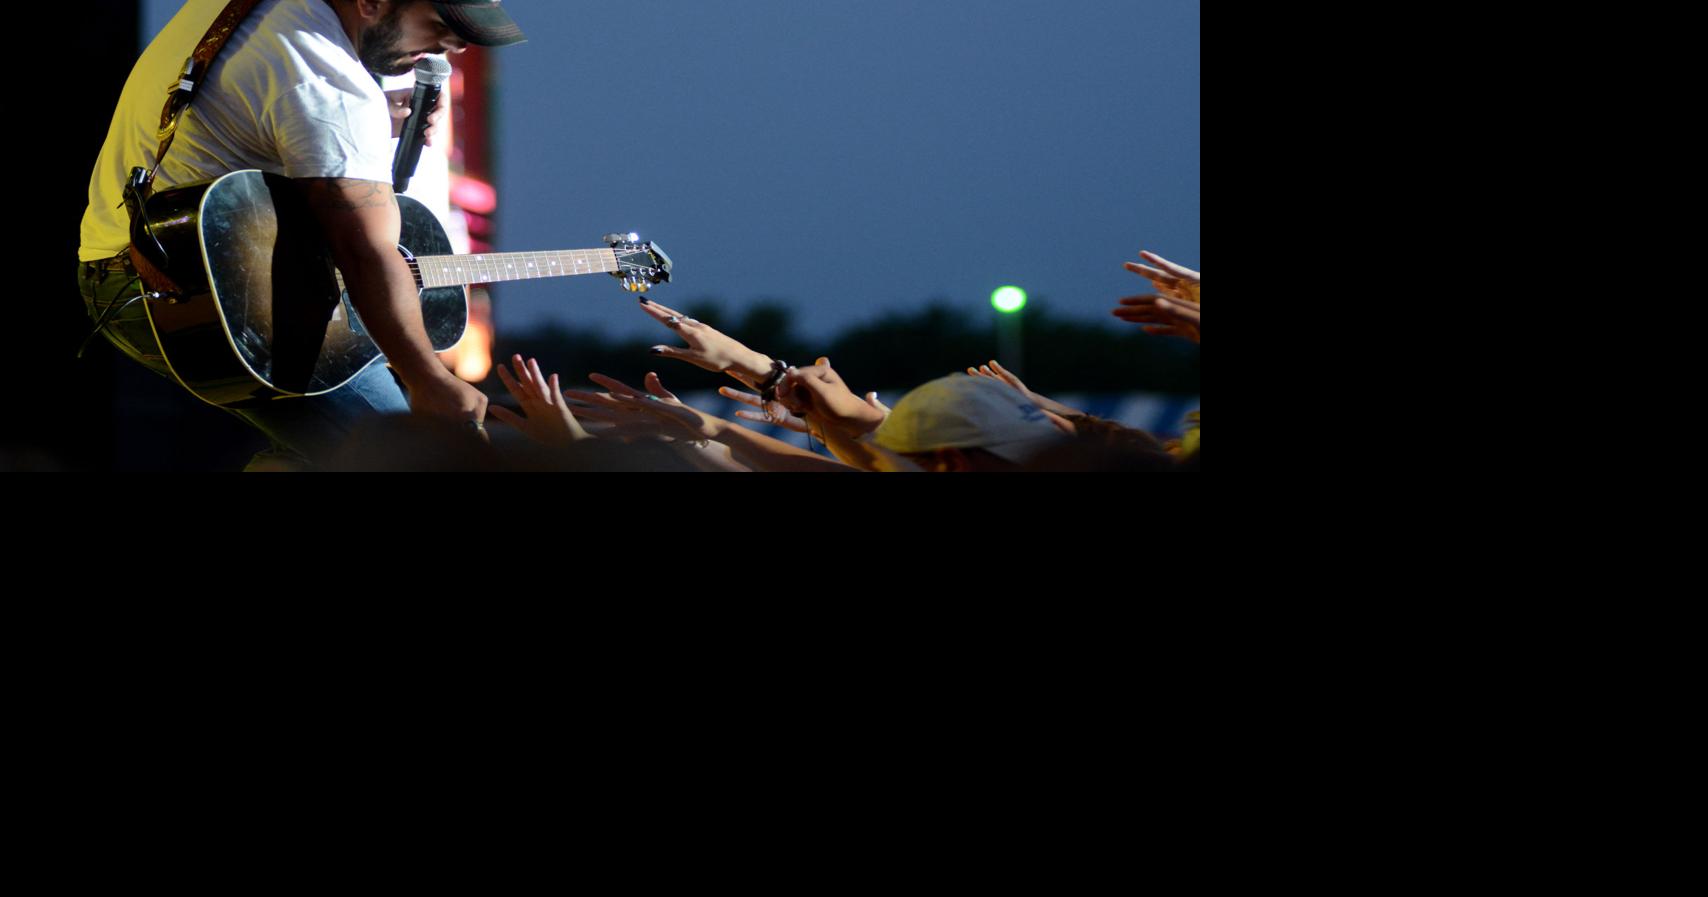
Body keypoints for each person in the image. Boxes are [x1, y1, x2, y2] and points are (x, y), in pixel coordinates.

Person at [77, 1, 526, 469]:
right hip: (189, 296)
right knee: (414, 460)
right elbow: (366, 252)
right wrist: (429, 379)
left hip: (123, 267)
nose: (454, 46)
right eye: (441, 25)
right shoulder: (328, 79)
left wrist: (366, 128)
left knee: (320, 457)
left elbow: (256, 99)